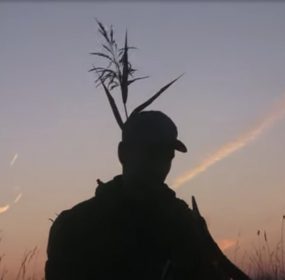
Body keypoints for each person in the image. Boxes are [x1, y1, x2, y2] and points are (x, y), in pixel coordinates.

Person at [45, 111, 247, 280]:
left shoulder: (185, 224)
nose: (160, 165)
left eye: (167, 155)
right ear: (123, 154)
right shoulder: (74, 227)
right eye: (151, 152)